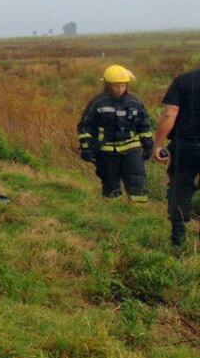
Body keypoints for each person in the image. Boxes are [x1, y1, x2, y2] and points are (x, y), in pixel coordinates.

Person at [77, 65, 153, 202]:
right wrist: (86, 148)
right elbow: (85, 126)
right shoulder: (98, 103)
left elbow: (144, 126)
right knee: (111, 187)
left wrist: (148, 146)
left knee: (138, 183)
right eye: (116, 86)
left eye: (123, 85)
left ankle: (139, 212)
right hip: (106, 151)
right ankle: (114, 212)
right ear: (107, 85)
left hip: (132, 150)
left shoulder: (135, 102)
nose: (120, 89)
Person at [152, 67, 200, 247]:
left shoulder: (183, 80)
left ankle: (178, 239)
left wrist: (158, 145)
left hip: (186, 146)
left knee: (180, 188)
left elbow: (169, 113)